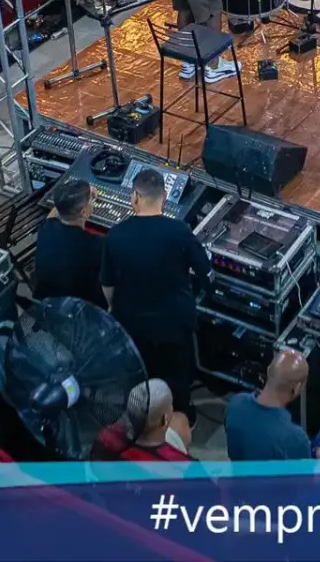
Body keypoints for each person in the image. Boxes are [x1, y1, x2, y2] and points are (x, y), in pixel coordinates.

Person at [100, 169, 210, 416]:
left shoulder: (116, 234)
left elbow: (107, 284)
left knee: (138, 378)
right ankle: (180, 418)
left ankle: (141, 420)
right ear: (165, 196)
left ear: (134, 197)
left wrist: (113, 306)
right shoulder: (180, 231)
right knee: (177, 381)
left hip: (132, 326)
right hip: (173, 326)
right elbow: (204, 270)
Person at [225, 349, 320, 462]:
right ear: (297, 388)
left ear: (268, 371)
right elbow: (306, 474)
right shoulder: (295, 438)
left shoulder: (235, 403)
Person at [31, 177, 106, 307]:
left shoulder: (46, 228)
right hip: (78, 309)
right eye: (90, 201)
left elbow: (55, 212)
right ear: (84, 212)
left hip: (45, 303)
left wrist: (78, 196)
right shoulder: (96, 245)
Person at [93, 379, 190, 462]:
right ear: (164, 420)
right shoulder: (183, 466)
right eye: (171, 405)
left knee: (180, 419)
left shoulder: (105, 438)